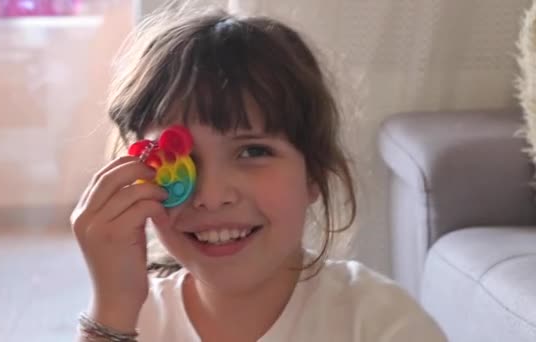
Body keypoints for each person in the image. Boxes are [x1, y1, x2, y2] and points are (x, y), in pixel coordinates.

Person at [72, 6, 447, 342]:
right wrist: (113, 311)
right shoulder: (128, 319)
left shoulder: (380, 323)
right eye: (181, 160)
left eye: (253, 151)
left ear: (313, 173)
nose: (211, 195)